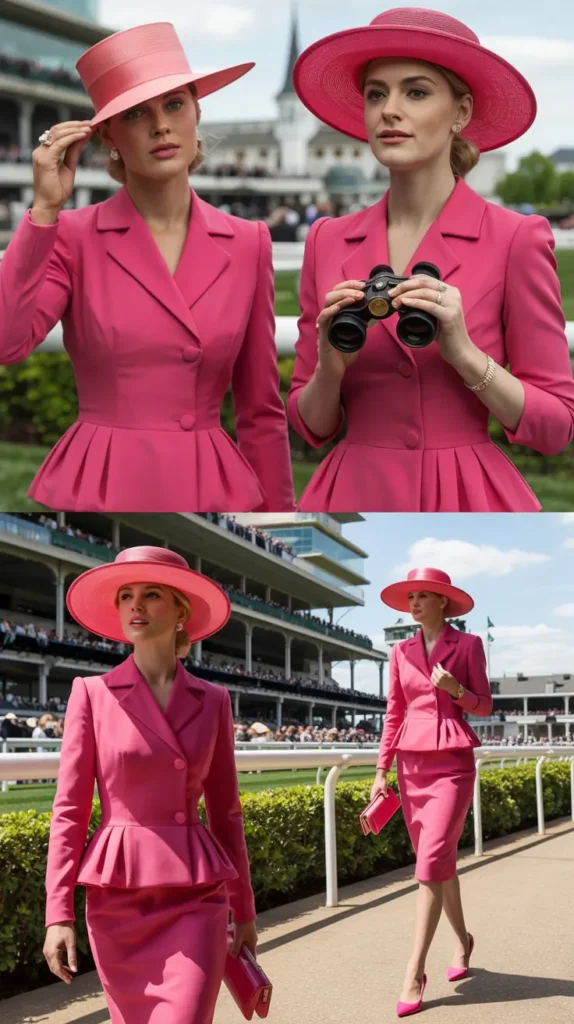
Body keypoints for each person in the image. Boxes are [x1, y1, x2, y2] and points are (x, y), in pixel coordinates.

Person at [0, 22, 294, 514]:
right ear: (108, 134)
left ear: (196, 111)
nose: (161, 125)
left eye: (174, 104)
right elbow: (7, 341)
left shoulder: (249, 243)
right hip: (103, 483)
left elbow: (261, 411)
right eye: (137, 113)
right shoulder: (71, 235)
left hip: (210, 485)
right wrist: (44, 211)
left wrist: (278, 516)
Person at [288, 8, 574, 512]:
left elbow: (554, 428)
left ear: (461, 112)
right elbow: (312, 427)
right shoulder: (326, 240)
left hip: (467, 493)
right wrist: (329, 369)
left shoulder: (517, 238)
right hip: (353, 487)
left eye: (415, 92)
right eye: (376, 93)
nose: (388, 110)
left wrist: (466, 355)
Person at [43, 545, 258, 1024]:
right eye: (126, 596)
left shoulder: (215, 700)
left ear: (182, 612)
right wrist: (57, 914)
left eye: (152, 594)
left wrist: (244, 910)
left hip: (196, 896)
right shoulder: (90, 694)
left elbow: (226, 813)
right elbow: (71, 811)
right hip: (118, 900)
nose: (135, 605)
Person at [370, 567, 492, 1017]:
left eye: (424, 596)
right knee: (439, 866)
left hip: (453, 763)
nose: (415, 603)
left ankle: (414, 970)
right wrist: (381, 770)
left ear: (444, 601)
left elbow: (484, 703)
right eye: (411, 597)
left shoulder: (469, 645)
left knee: (430, 864)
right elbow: (393, 712)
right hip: (410, 764)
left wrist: (455, 689)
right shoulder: (399, 651)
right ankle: (463, 944)